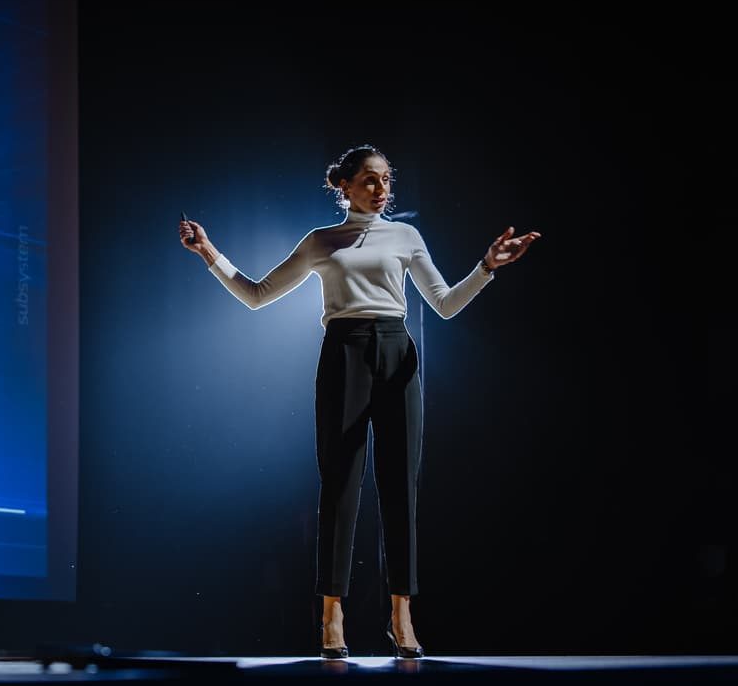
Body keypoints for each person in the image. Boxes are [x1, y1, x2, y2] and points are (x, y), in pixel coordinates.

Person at [178, 144, 539, 659]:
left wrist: (487, 265)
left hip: (398, 353)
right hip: (344, 353)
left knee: (400, 488)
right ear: (342, 186)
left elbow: (445, 305)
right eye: (370, 180)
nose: (381, 188)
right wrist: (209, 253)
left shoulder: (406, 237)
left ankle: (401, 615)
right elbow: (257, 294)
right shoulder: (321, 241)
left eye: (386, 180)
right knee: (341, 485)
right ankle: (332, 615)